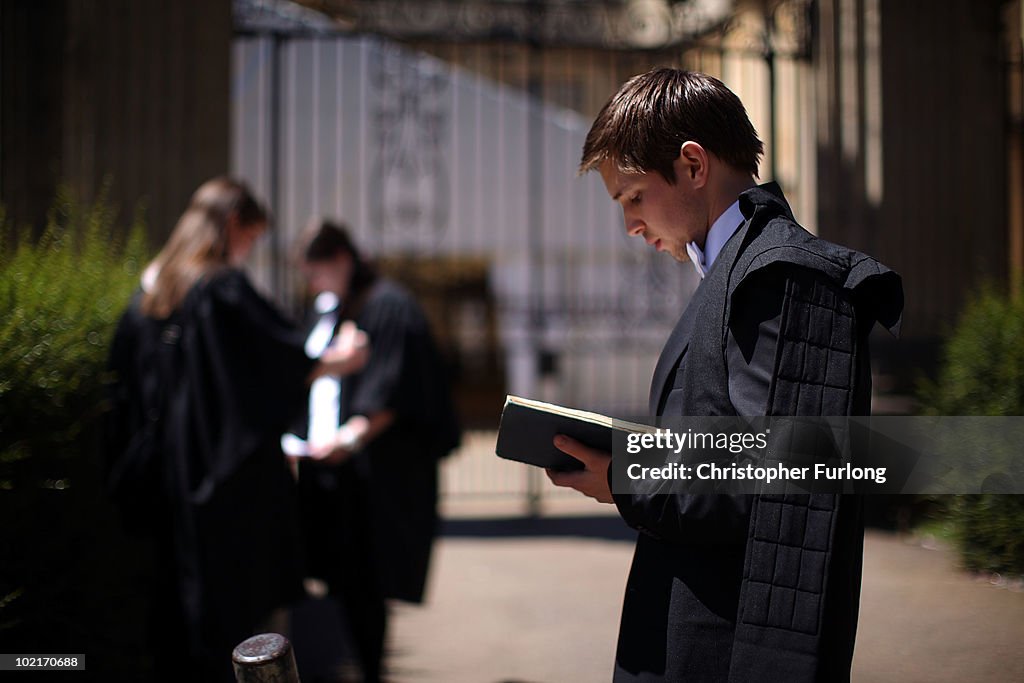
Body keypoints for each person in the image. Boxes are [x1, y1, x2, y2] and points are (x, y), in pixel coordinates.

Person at [545, 68, 903, 682]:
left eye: (632, 196)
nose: (630, 224)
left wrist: (628, 477)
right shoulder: (738, 270)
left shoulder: (783, 278)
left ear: (693, 165)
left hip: (726, 651)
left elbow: (784, 480)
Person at [105, 178, 368, 681]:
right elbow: (273, 364)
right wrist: (339, 362)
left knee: (181, 619)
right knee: (241, 628)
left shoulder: (152, 292)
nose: (249, 251)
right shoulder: (218, 286)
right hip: (224, 489)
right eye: (251, 238)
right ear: (232, 226)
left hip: (166, 485)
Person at [287, 218, 461, 683]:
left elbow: (393, 391)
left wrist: (347, 440)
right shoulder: (331, 308)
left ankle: (369, 671)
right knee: (341, 582)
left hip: (371, 476)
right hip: (327, 470)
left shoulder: (389, 307)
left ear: (340, 260)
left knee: (366, 584)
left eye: (314, 271)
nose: (310, 283)